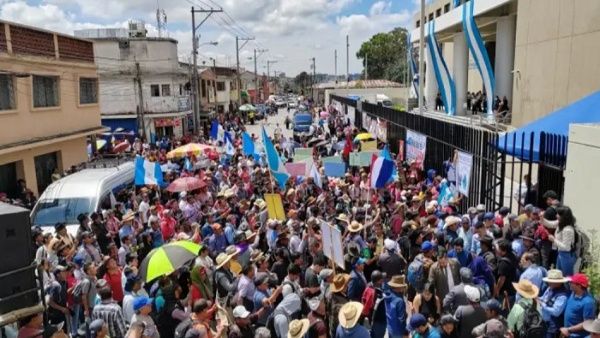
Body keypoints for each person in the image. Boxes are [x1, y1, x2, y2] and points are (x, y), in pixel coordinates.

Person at [560, 273, 597, 338]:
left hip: (578, 336)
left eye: (572, 282)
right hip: (567, 333)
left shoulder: (588, 302)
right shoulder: (573, 294)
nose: (569, 283)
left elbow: (587, 323)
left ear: (579, 286)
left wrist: (569, 330)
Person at [539, 270, 570, 338]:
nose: (549, 283)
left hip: (553, 326)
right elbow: (544, 298)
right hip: (545, 322)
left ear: (559, 283)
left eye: (551, 281)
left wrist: (542, 304)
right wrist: (537, 298)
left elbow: (556, 312)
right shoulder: (550, 288)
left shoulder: (562, 296)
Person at [548, 206, 576, 276]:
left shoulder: (567, 229)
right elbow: (549, 224)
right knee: (560, 277)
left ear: (564, 216)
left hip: (566, 255)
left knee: (566, 278)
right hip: (561, 254)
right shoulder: (561, 225)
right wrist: (542, 219)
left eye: (558, 214)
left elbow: (566, 247)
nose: (556, 215)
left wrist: (554, 240)